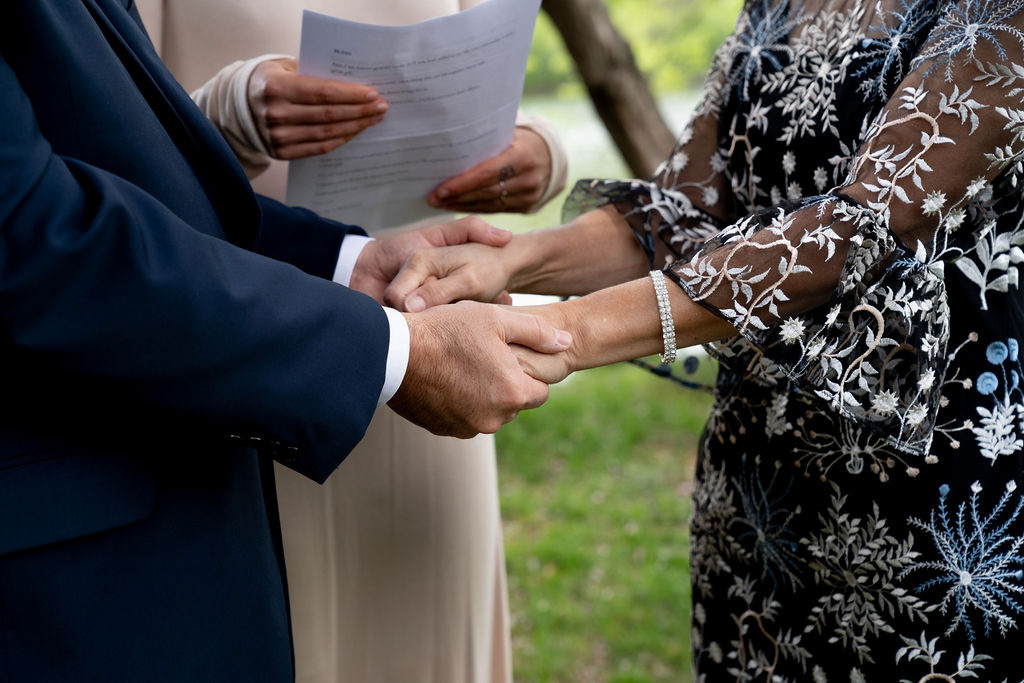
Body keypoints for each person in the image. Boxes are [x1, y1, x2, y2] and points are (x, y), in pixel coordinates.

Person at [387, 0, 1024, 679]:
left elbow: (853, 231)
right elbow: (688, 212)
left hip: (938, 514)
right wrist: (510, 260)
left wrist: (566, 332)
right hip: (755, 498)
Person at [0, 2, 571, 681]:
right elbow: (31, 229)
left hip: (300, 348)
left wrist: (345, 263)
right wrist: (387, 351)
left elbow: (119, 160)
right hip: (125, 465)